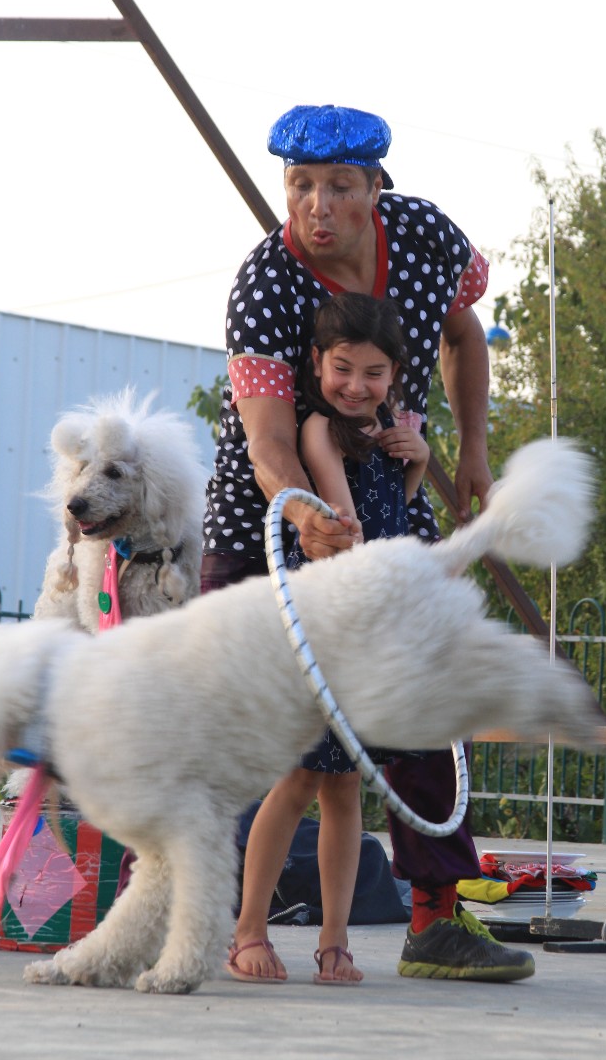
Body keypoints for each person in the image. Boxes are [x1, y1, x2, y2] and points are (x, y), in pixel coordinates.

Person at [202, 103, 535, 984]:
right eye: (299, 186)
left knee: (418, 714)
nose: (315, 206)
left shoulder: (425, 238)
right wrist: (307, 513)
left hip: (388, 510)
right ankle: (182, 905)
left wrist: (469, 449)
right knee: (225, 726)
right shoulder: (266, 282)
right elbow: (269, 439)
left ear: (375, 191)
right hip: (267, 526)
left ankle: (435, 919)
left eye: (338, 187)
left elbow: (464, 335)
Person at [228, 293, 429, 985]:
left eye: (372, 373)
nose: (355, 385)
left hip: (370, 631)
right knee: (298, 778)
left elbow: (400, 514)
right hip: (325, 627)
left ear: (394, 374)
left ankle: (334, 941)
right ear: (317, 364)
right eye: (342, 368)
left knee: (347, 792)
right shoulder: (318, 429)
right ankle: (249, 929)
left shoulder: (396, 430)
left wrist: (419, 457)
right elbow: (343, 520)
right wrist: (345, 533)